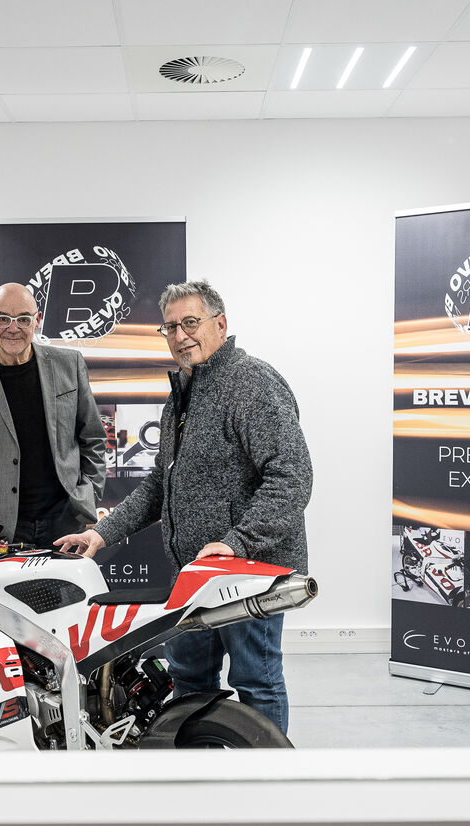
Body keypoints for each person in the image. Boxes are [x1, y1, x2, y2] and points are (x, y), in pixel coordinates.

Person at [55, 280, 312, 734]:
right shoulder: (183, 392)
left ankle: (269, 774)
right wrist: (101, 533)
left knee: (256, 681)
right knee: (190, 679)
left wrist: (237, 543)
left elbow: (292, 478)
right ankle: (199, 765)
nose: (179, 336)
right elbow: (161, 484)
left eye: (190, 323)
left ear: (220, 324)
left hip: (245, 573)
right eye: (170, 327)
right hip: (192, 576)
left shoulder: (253, 383)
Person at [0, 282, 106, 547]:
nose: (13, 328)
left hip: (66, 521)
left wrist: (89, 497)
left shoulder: (70, 364)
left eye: (23, 319)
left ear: (37, 320)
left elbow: (92, 438)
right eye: (3, 319)